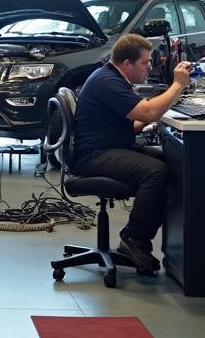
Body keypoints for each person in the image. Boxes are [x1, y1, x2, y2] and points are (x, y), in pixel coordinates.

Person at [72, 34, 193, 273]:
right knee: (155, 172)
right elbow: (146, 113)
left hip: (109, 145)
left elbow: (136, 119)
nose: (149, 67)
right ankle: (134, 238)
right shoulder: (107, 81)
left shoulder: (110, 76)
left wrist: (156, 118)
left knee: (169, 159)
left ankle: (174, 245)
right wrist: (178, 85)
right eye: (144, 63)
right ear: (127, 63)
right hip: (94, 156)